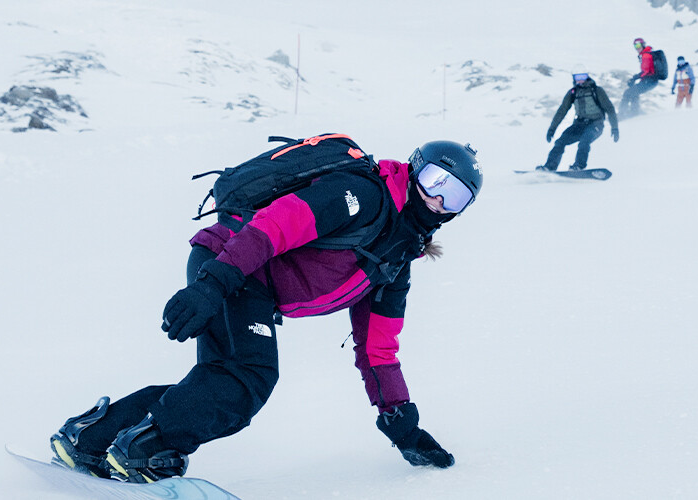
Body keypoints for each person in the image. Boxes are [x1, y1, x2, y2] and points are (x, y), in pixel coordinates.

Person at [49, 136, 483, 483]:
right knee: (247, 379)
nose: (438, 201)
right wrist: (213, 284)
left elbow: (378, 347)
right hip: (234, 263)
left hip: (246, 282)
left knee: (225, 380)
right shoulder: (363, 194)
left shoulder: (396, 259)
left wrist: (400, 421)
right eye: (434, 181)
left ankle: (91, 436)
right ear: (413, 168)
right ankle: (145, 448)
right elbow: (277, 224)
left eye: (456, 197)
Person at [538, 69, 619, 172]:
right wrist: (552, 129)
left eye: (583, 77)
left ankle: (579, 166)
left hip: (595, 125)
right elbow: (562, 111)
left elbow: (610, 109)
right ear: (574, 78)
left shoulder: (597, 90)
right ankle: (549, 167)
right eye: (578, 78)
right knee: (560, 142)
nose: (581, 80)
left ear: (587, 77)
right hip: (579, 125)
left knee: (584, 142)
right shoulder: (573, 92)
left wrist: (615, 128)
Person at [619, 37, 660, 118]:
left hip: (650, 81)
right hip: (650, 81)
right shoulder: (647, 54)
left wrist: (635, 78)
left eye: (638, 45)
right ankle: (634, 112)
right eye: (635, 46)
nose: (637, 48)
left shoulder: (646, 55)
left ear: (643, 44)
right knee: (634, 92)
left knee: (627, 93)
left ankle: (621, 115)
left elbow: (646, 71)